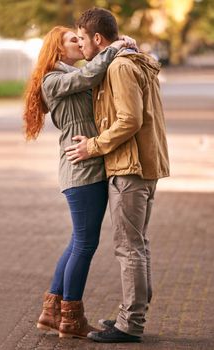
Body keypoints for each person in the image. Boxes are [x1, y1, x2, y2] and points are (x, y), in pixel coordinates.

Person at [65, 7, 170, 343]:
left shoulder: (122, 67)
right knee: (137, 244)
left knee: (128, 247)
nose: (80, 45)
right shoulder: (131, 58)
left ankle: (131, 324)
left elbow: (129, 120)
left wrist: (92, 146)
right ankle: (132, 312)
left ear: (98, 38)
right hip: (140, 166)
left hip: (130, 167)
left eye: (82, 38)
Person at [23, 25, 134, 339]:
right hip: (80, 169)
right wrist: (115, 47)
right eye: (74, 39)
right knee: (85, 244)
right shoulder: (54, 79)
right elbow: (87, 77)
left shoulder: (67, 75)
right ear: (59, 48)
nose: (80, 42)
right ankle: (71, 318)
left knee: (78, 242)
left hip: (87, 166)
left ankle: (50, 312)